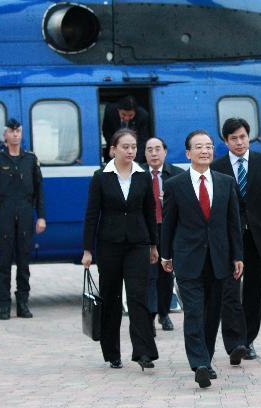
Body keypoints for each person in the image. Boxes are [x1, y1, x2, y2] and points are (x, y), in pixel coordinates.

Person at [161, 130, 247, 388]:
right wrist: (166, 253)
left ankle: (206, 359)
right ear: (188, 153)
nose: (205, 151)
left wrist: (237, 256)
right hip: (188, 259)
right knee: (195, 312)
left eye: (209, 146)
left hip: (219, 259)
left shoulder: (225, 182)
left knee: (212, 314)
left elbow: (234, 223)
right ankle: (198, 363)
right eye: (199, 147)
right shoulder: (175, 184)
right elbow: (168, 223)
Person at [211, 118, 261, 360]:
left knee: (254, 291)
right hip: (228, 239)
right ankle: (233, 342)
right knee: (229, 291)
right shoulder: (217, 167)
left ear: (249, 138)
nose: (239, 142)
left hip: (258, 236)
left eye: (243, 137)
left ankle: (248, 340)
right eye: (233, 138)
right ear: (226, 141)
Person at [82, 129, 159, 371]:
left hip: (138, 243)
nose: (130, 151)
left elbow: (150, 212)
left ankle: (144, 352)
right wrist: (87, 249)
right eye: (125, 146)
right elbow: (92, 215)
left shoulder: (142, 176)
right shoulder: (100, 177)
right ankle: (112, 352)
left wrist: (154, 245)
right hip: (109, 245)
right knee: (112, 298)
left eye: (134, 147)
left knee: (138, 297)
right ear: (113, 149)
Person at [0, 118, 46, 320]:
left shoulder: (30, 159)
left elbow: (39, 190)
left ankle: (23, 304)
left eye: (18, 131)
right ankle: (4, 306)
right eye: (11, 132)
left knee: (24, 261)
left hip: (26, 213)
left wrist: (41, 217)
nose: (15, 135)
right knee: (4, 262)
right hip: (5, 214)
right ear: (5, 135)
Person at [142, 137, 184, 332]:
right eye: (149, 150)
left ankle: (164, 313)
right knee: (149, 275)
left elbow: (186, 205)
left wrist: (168, 200)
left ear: (165, 152)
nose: (154, 153)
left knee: (166, 275)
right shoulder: (138, 174)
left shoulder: (176, 175)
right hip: (146, 231)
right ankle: (149, 316)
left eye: (157, 149)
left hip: (168, 229)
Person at [102, 96, 151, 163]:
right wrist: (113, 146)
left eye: (130, 115)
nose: (126, 118)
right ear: (118, 110)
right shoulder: (110, 111)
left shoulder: (143, 116)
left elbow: (142, 141)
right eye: (123, 114)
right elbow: (107, 132)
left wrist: (135, 161)